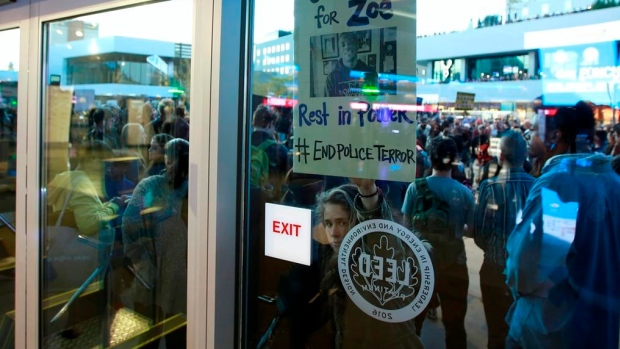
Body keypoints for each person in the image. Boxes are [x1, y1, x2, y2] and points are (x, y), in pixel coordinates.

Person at [504, 101, 620, 349]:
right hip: (600, 330)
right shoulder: (612, 182)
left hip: (548, 331)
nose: (530, 138)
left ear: (556, 135)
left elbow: (526, 265)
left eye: (534, 131)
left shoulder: (561, 184)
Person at [278, 179, 424, 348]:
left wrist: (368, 191)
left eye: (342, 222)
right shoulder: (334, 263)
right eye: (329, 224)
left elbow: (379, 236)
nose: (334, 232)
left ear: (359, 222)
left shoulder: (381, 258)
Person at [401, 136, 474, 349]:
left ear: (430, 159)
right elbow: (472, 231)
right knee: (455, 324)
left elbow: (407, 229)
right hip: (455, 265)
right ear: (453, 161)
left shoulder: (415, 188)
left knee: (414, 323)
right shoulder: (464, 193)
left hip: (420, 263)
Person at [122, 138, 189, 343]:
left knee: (172, 334)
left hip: (175, 273)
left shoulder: (194, 190)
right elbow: (130, 223)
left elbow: (130, 223)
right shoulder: (151, 186)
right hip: (156, 270)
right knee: (155, 334)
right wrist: (139, 259)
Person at [474, 130, 535, 349]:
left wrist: (494, 250)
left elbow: (480, 233)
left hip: (495, 268)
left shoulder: (489, 187)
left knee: (496, 331)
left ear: (501, 156)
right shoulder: (537, 186)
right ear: (524, 156)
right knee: (522, 334)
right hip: (529, 273)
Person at [251, 105, 289, 198]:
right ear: (271, 124)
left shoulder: (242, 143)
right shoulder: (279, 150)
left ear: (253, 123)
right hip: (268, 200)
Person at [324, 32, 375, 97]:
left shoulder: (370, 74)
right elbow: (329, 105)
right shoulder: (331, 78)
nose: (347, 47)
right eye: (343, 44)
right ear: (339, 50)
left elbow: (375, 101)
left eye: (351, 42)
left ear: (357, 46)